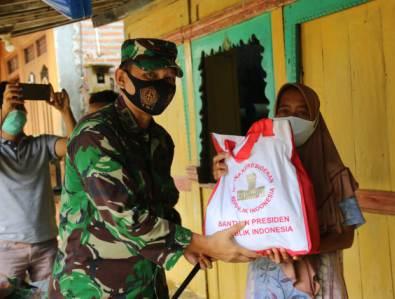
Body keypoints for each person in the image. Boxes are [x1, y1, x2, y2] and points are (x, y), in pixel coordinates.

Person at [49, 38, 258, 298]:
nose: (159, 84)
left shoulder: (159, 140)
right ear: (122, 78)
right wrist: (203, 243)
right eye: (149, 74)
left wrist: (186, 247)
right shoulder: (95, 134)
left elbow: (161, 205)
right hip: (89, 287)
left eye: (168, 77)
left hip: (145, 283)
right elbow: (124, 217)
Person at [213, 83, 366, 299]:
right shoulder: (257, 163)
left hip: (321, 283)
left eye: (302, 113)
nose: (291, 118)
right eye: (284, 111)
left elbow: (347, 237)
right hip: (267, 283)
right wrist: (226, 177)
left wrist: (299, 248)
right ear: (275, 115)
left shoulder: (336, 174)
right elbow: (239, 215)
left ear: (315, 120)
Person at [0, 83, 76, 290]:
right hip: (6, 247)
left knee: (51, 295)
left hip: (46, 243)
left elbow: (77, 147)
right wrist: (4, 113)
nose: (18, 111)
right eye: (11, 105)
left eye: (20, 105)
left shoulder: (40, 145)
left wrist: (65, 110)